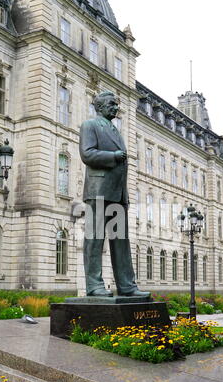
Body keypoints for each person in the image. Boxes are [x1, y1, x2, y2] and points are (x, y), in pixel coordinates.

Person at [79, 91, 150, 298]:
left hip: (117, 194)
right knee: (94, 239)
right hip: (98, 191)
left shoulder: (116, 131)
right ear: (99, 107)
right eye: (111, 104)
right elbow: (87, 154)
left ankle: (127, 286)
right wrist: (113, 156)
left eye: (116, 104)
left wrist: (125, 196)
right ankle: (94, 285)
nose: (115, 107)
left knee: (121, 242)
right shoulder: (90, 126)